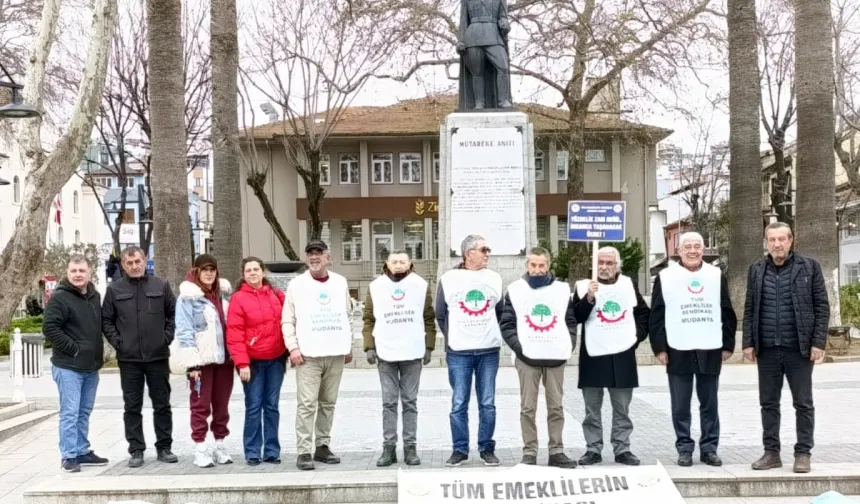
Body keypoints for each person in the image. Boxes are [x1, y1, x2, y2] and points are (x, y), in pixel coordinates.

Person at [743, 222, 829, 474]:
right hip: (767, 348)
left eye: (782, 239)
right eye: (772, 239)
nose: (777, 244)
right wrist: (748, 342)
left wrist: (818, 342)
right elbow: (749, 309)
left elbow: (822, 307)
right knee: (768, 403)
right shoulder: (756, 270)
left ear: (791, 240)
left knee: (803, 403)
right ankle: (771, 453)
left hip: (799, 349)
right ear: (766, 242)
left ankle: (803, 453)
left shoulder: (809, 267)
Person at [650, 232, 737, 467]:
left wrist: (728, 345)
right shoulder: (666, 277)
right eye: (687, 246)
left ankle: (709, 448)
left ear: (703, 249)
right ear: (679, 250)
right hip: (677, 348)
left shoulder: (716, 275)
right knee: (680, 404)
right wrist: (660, 348)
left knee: (709, 403)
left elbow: (727, 311)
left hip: (709, 348)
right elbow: (656, 315)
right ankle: (684, 448)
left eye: (697, 246)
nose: (692, 250)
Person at [500, 247, 577, 468]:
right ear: (527, 266)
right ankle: (530, 451)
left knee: (556, 407)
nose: (537, 269)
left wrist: (569, 344)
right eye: (533, 265)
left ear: (548, 265)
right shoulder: (515, 290)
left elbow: (570, 321)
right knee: (527, 408)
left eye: (541, 265)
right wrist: (520, 347)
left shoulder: (562, 290)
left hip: (555, 358)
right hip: (527, 359)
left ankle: (556, 451)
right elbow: (507, 323)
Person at [573, 246, 650, 466]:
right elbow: (575, 317)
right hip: (593, 356)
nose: (604, 267)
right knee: (592, 409)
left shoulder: (627, 285)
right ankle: (593, 448)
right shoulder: (582, 286)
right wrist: (589, 297)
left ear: (617, 265)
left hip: (621, 357)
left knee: (622, 408)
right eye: (600, 263)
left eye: (609, 263)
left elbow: (643, 314)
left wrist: (634, 338)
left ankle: (622, 448)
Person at [102, 246, 178, 468]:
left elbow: (173, 315)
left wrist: (166, 338)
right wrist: (119, 343)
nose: (134, 266)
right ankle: (136, 449)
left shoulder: (161, 286)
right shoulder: (114, 290)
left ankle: (164, 447)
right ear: (123, 265)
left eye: (137, 261)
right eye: (129, 262)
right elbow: (106, 320)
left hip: (157, 357)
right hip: (129, 360)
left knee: (162, 404)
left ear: (145, 261)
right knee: (132, 406)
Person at [282, 241, 353, 471]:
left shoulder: (340, 282)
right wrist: (293, 347)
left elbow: (347, 315)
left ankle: (322, 445)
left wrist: (348, 344)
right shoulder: (296, 284)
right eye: (310, 254)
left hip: (334, 353)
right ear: (306, 258)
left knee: (328, 403)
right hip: (308, 355)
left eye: (319, 254)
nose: (314, 258)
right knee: (306, 404)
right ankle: (304, 450)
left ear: (328, 257)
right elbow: (287, 319)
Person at [362, 250, 435, 467]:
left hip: (413, 352)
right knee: (389, 402)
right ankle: (389, 448)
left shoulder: (420, 285)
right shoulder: (376, 287)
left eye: (403, 261)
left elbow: (428, 317)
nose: (399, 265)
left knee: (410, 402)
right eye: (394, 261)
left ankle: (410, 447)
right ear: (387, 263)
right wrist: (369, 346)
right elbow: (368, 318)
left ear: (410, 263)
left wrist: (429, 346)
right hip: (385, 352)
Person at [436, 234, 503, 467]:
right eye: (483, 249)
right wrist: (455, 336)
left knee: (488, 402)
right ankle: (460, 449)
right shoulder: (449, 278)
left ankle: (486, 448)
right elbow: (440, 313)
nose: (487, 254)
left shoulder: (494, 278)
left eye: (488, 249)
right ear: (468, 253)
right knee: (459, 403)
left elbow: (500, 311)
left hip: (488, 351)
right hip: (459, 352)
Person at [43, 256, 109, 473]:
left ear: (90, 272)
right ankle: (69, 455)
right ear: (68, 272)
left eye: (82, 270)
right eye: (74, 270)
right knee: (70, 412)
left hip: (91, 367)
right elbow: (50, 328)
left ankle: (81, 450)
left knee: (84, 411)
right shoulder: (60, 298)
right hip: (68, 366)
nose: (78, 274)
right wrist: (74, 348)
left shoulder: (94, 296)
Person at [174, 254, 234, 468]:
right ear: (197, 271)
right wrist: (193, 364)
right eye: (204, 269)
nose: (209, 273)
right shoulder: (188, 298)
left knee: (221, 405)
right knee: (200, 406)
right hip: (201, 363)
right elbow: (184, 330)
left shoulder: (224, 295)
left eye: (212, 269)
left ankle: (219, 445)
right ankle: (200, 448)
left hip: (224, 360)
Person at [226, 257, 287, 466]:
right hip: (252, 363)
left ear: (263, 272)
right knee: (254, 407)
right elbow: (234, 334)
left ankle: (271, 450)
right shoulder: (238, 299)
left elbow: (288, 321)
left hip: (276, 359)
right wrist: (242, 363)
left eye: (256, 269)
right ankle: (252, 451)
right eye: (248, 270)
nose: (253, 273)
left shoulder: (276, 295)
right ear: (243, 274)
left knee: (271, 406)